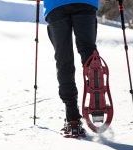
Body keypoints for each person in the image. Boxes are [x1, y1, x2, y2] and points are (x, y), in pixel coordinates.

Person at [43, 0, 104, 136]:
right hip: (86, 3)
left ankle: (72, 119)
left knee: (64, 59)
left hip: (55, 5)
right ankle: (97, 99)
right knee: (89, 53)